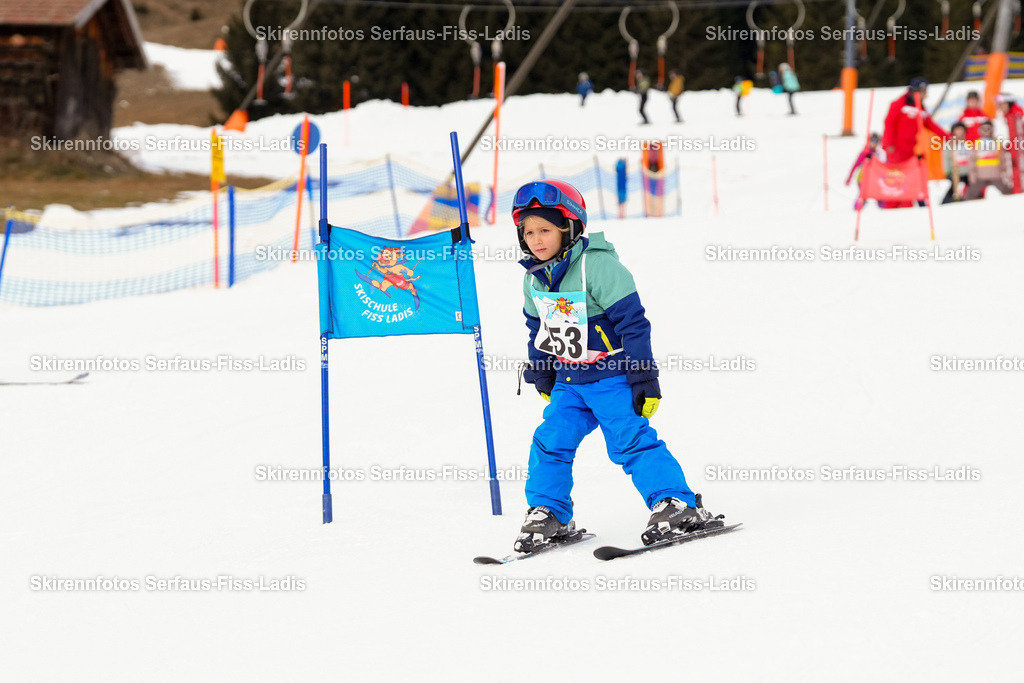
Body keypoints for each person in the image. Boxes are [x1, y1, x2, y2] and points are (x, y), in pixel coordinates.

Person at [512, 179, 723, 552]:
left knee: (630, 441)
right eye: (529, 232)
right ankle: (549, 511)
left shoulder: (597, 265)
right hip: (569, 382)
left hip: (611, 377)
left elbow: (633, 323)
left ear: (569, 228)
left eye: (545, 230)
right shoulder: (533, 279)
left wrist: (643, 377)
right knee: (550, 442)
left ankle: (676, 503)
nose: (536, 240)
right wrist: (542, 370)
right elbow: (537, 329)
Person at [882, 77, 948, 206]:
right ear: (916, 91)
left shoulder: (920, 107)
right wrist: (889, 144)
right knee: (898, 178)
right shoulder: (899, 104)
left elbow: (930, 124)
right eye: (924, 91)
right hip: (896, 149)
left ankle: (912, 203)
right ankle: (892, 206)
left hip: (911, 150)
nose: (926, 94)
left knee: (912, 177)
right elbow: (889, 123)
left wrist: (947, 136)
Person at [963, 119, 1014, 200]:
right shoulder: (977, 143)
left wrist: (1005, 173)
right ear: (980, 130)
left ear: (992, 129)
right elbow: (972, 160)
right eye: (984, 129)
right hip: (980, 176)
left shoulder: (997, 142)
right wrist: (972, 175)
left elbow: (1003, 159)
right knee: (969, 195)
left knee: (1008, 193)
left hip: (996, 175)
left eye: (988, 128)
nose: (986, 131)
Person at [845, 132, 884, 209]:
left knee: (878, 194)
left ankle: (883, 209)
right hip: (863, 178)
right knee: (863, 196)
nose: (874, 144)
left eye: (876, 142)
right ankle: (857, 209)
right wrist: (849, 178)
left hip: (873, 178)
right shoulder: (865, 152)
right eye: (872, 141)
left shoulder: (878, 153)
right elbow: (855, 165)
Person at [997, 92, 1024, 193]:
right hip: (1014, 151)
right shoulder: (1008, 116)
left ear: (1009, 103)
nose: (1000, 107)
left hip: (1018, 151)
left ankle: (1018, 192)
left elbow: (1017, 136)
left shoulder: (1016, 115)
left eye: (1002, 104)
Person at [941, 122, 971, 204]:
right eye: (957, 130)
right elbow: (946, 158)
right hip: (955, 171)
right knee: (954, 187)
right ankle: (946, 202)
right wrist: (947, 171)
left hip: (967, 170)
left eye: (961, 129)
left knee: (972, 185)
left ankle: (971, 198)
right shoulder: (950, 144)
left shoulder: (967, 142)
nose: (959, 132)